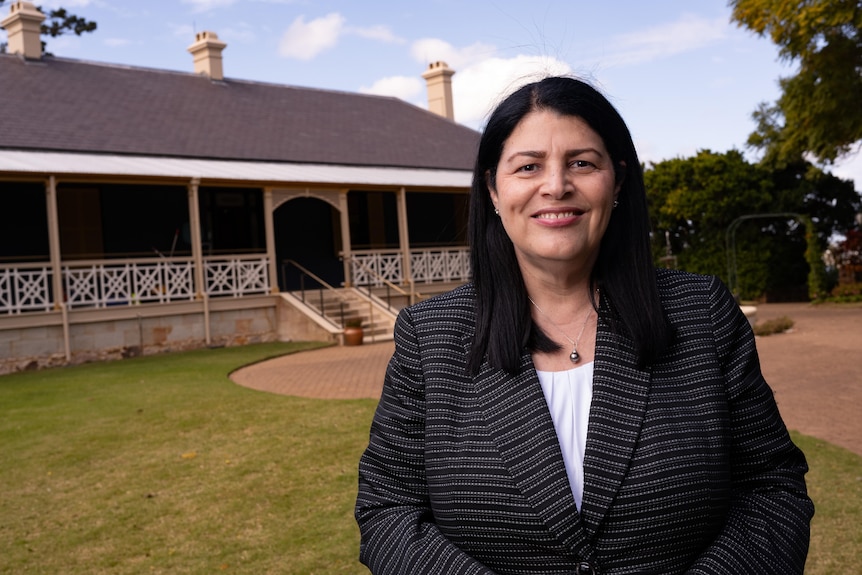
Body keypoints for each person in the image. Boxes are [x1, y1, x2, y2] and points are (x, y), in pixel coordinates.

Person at [355, 76, 813, 574]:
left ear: (616, 181)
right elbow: (388, 509)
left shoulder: (701, 313)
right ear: (492, 189)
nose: (556, 185)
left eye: (581, 163)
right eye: (528, 166)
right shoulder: (431, 335)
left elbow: (772, 489)